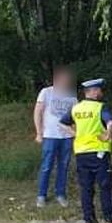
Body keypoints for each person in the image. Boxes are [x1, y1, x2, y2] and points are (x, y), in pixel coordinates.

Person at [60, 79, 112, 223]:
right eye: (99, 90)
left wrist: (75, 133)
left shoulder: (76, 108)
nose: (101, 92)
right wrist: (108, 133)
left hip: (81, 153)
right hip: (99, 152)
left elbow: (62, 123)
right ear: (93, 91)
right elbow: (111, 122)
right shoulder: (100, 107)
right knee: (106, 187)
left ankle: (89, 221)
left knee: (86, 188)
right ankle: (111, 221)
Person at [33, 67, 78, 208]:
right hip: (50, 135)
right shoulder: (46, 92)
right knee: (47, 166)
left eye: (67, 79)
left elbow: (76, 118)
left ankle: (60, 194)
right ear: (56, 79)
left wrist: (75, 133)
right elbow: (37, 112)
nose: (65, 81)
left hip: (66, 137)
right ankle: (41, 195)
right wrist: (39, 132)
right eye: (62, 78)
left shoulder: (72, 97)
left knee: (63, 166)